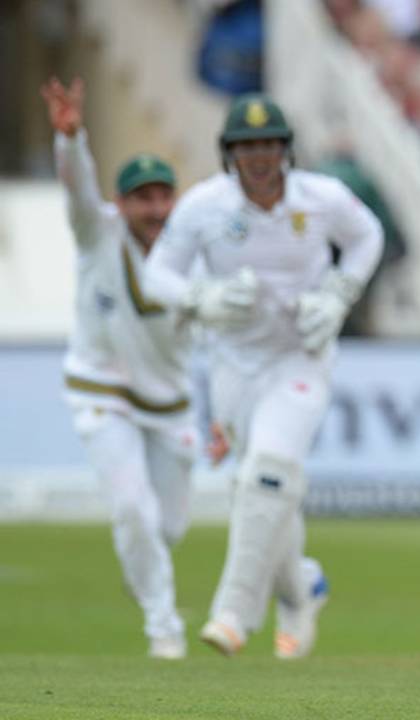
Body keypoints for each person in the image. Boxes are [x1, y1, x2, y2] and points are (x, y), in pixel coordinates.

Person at [143, 94, 384, 659]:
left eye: (269, 144)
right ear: (230, 154)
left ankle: (234, 611)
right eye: (247, 146)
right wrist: (202, 298)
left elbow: (367, 235)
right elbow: (158, 275)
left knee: (270, 470)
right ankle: (301, 590)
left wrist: (339, 294)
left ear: (285, 149)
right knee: (260, 487)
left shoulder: (320, 197)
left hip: (301, 354)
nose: (259, 157)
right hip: (232, 365)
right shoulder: (205, 206)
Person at [41, 77, 195, 660]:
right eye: (142, 198)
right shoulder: (96, 231)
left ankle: (146, 573)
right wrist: (71, 141)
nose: (154, 209)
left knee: (165, 529)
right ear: (122, 202)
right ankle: (164, 626)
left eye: (163, 197)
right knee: (132, 506)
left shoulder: (189, 245)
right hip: (100, 390)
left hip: (171, 401)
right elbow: (77, 191)